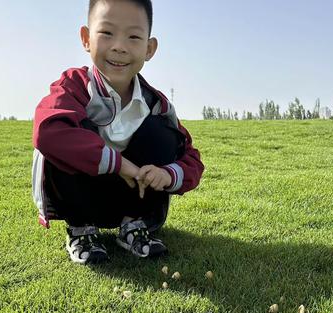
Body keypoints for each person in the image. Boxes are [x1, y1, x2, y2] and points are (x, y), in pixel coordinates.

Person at [32, 0, 204, 264]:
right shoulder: (74, 86)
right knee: (64, 132)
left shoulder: (155, 103)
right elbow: (47, 132)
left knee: (163, 132)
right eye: (107, 33)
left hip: (134, 197)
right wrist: (120, 164)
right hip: (82, 196)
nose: (119, 46)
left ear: (149, 48)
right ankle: (81, 229)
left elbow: (191, 159)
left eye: (133, 36)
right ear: (86, 38)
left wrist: (166, 175)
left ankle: (133, 225)